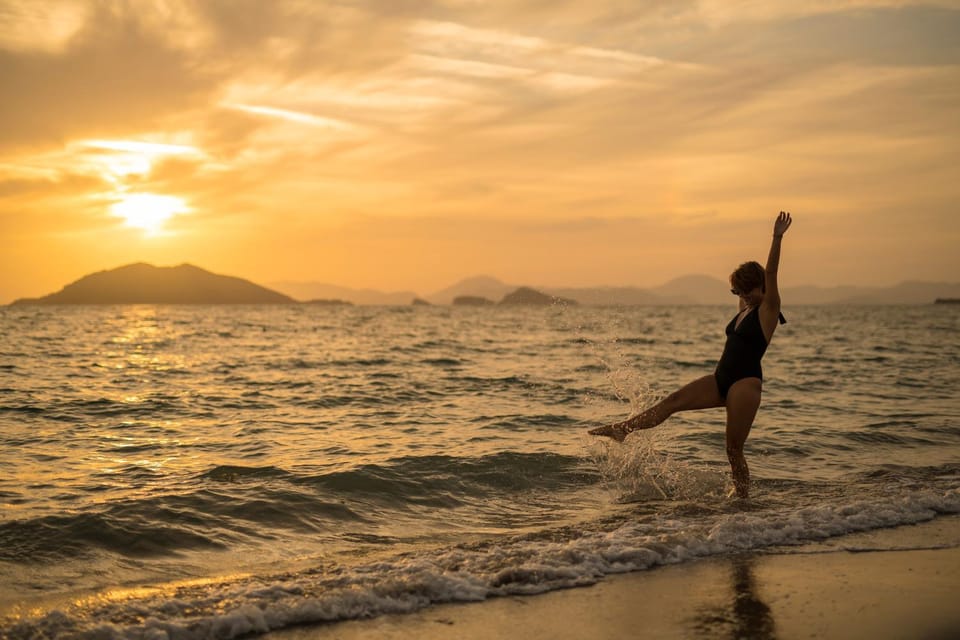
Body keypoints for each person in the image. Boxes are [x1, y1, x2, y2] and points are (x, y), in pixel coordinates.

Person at [589, 212, 793, 499]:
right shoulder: (746, 307)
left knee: (733, 449)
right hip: (721, 378)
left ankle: (743, 502)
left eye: (748, 291)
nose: (743, 296)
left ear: (761, 288)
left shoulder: (768, 309)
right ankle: (623, 429)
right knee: (672, 401)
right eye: (738, 291)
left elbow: (770, 274)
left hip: (744, 384)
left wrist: (777, 238)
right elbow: (749, 281)